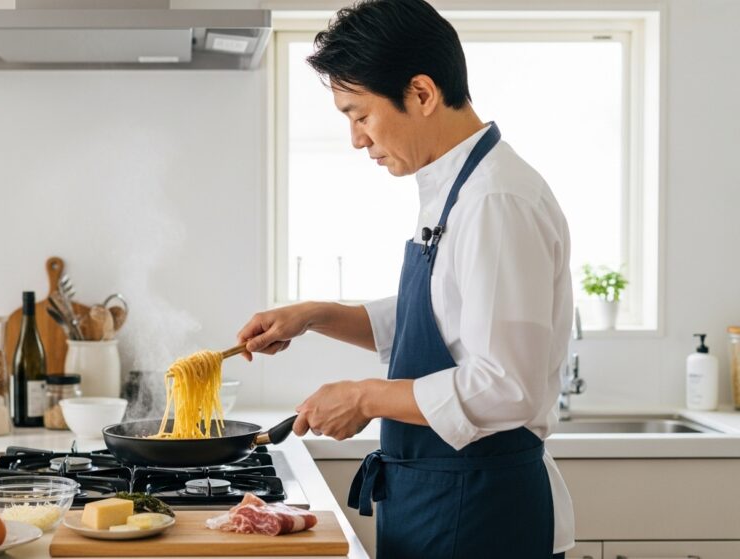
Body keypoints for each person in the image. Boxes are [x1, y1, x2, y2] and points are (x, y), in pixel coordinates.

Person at [235, 1, 575, 557]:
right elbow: (438, 321)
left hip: (482, 514)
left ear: (421, 94)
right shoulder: (455, 187)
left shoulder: (496, 199)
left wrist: (366, 397)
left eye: (359, 115)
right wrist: (316, 315)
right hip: (441, 501)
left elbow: (507, 385)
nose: (356, 139)